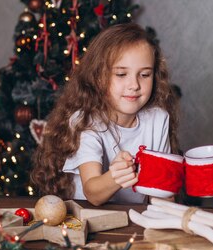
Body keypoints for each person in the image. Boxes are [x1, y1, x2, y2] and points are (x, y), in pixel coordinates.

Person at [31, 23, 179, 205]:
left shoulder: (158, 119)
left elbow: (157, 193)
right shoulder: (86, 121)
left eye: (145, 75)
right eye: (121, 74)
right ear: (99, 77)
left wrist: (166, 195)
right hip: (90, 221)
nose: (134, 85)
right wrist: (114, 177)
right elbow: (93, 192)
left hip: (133, 221)